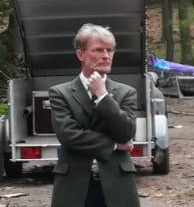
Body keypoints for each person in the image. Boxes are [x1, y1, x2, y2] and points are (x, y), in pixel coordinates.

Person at [48, 23, 141, 207]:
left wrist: (103, 95)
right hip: (74, 185)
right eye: (98, 50)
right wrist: (114, 145)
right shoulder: (60, 93)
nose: (106, 56)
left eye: (110, 50)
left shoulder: (126, 92)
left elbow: (126, 133)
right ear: (80, 54)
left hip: (117, 185)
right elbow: (69, 137)